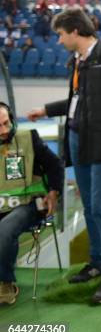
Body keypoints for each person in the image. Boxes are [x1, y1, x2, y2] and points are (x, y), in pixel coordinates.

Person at [27, 8, 101, 304]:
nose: (59, 40)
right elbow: (78, 101)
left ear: (75, 31)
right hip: (78, 141)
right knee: (89, 206)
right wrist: (47, 110)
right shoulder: (78, 61)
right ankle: (97, 263)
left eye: (61, 34)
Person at [0, 103, 63, 305]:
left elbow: (55, 164)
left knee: (5, 228)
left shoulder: (28, 139)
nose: (4, 130)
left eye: (6, 123)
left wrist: (53, 192)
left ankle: (5, 283)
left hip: (30, 205)